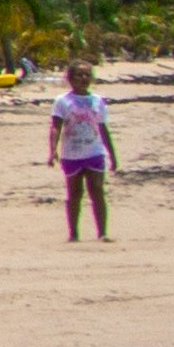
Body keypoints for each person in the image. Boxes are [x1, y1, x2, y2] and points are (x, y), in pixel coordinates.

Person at [49, 61, 119, 242]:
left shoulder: (98, 101)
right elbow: (56, 127)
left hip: (95, 152)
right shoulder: (62, 101)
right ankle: (73, 233)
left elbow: (103, 129)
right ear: (70, 78)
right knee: (74, 194)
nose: (84, 78)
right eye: (79, 75)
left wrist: (112, 154)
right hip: (71, 155)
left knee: (97, 190)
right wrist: (52, 150)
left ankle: (102, 233)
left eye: (87, 75)